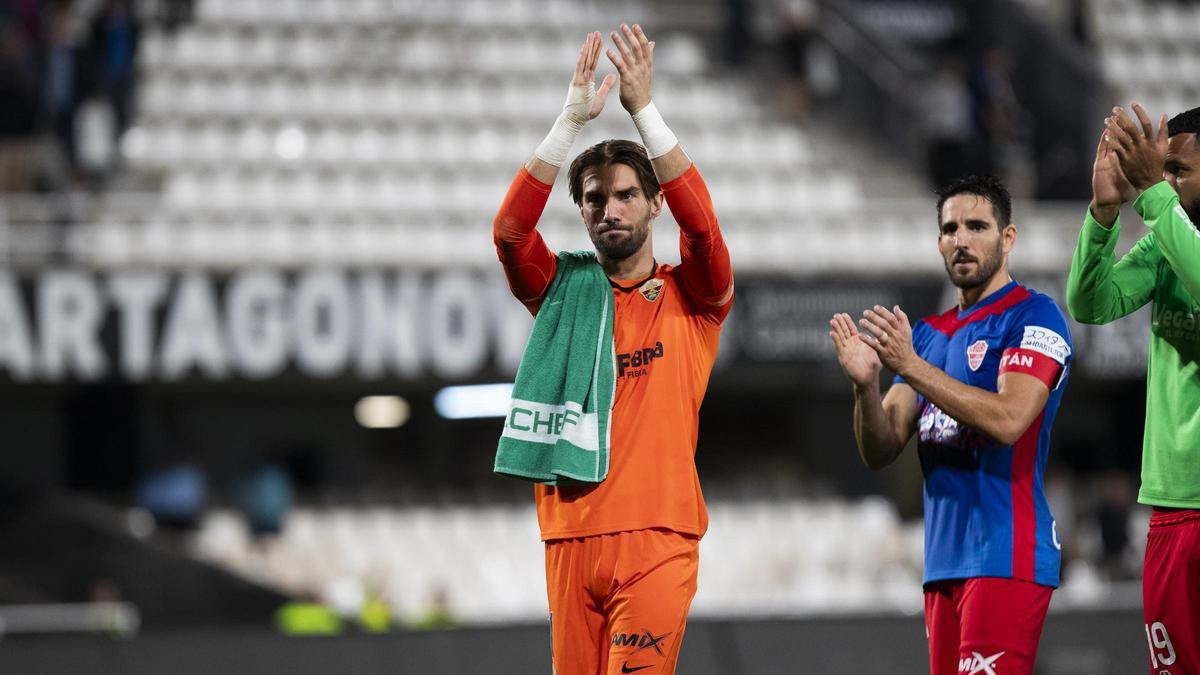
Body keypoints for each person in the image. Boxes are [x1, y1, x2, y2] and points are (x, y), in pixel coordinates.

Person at [492, 25, 733, 675]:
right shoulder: (563, 293)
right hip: (568, 536)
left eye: (627, 193)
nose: (610, 208)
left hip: (658, 537)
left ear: (656, 204)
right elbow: (511, 234)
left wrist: (644, 112)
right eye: (594, 198)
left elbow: (705, 228)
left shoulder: (696, 297)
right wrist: (570, 120)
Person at [829, 175, 1072, 675]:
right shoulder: (930, 335)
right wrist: (865, 387)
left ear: (1008, 238)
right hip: (942, 565)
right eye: (950, 228)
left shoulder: (1034, 316)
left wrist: (912, 366)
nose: (960, 239)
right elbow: (881, 447)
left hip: (1007, 555)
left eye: (977, 226)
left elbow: (1009, 420)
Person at [1067, 103, 1200, 674]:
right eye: (1161, 169)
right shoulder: (1168, 245)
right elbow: (1091, 304)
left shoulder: (1173, 233)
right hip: (1175, 507)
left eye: (1179, 170)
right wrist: (1103, 214)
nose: (1165, 180)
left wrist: (1150, 194)